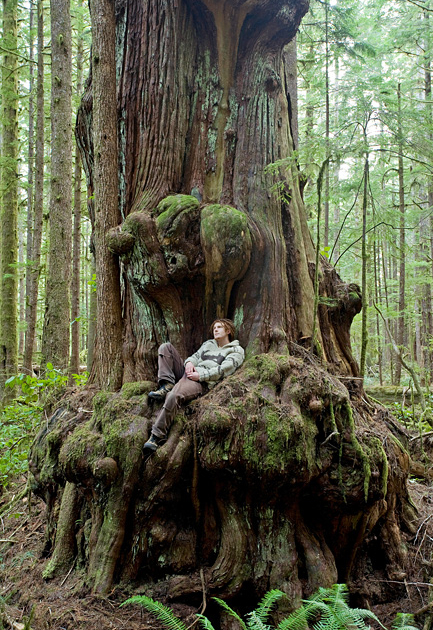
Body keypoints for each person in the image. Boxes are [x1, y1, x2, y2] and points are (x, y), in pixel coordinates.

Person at [143, 319, 244, 454]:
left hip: (200, 382)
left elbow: (225, 370)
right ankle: (167, 384)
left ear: (228, 331)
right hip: (189, 373)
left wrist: (200, 376)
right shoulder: (208, 344)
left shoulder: (236, 350)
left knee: (173, 396)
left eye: (219, 327)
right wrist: (190, 362)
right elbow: (195, 356)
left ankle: (156, 436)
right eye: (214, 327)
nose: (215, 329)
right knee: (165, 347)